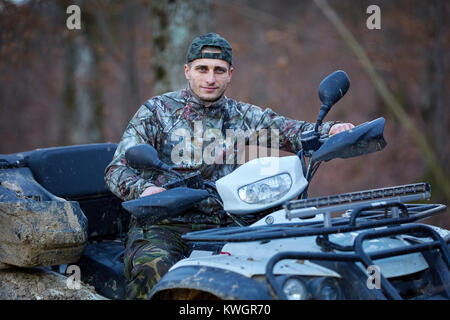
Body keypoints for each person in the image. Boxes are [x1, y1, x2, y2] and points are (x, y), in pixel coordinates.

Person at [104, 32, 354, 299]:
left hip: (229, 221)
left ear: (230, 74)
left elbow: (291, 131)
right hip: (166, 224)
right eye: (202, 69)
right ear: (188, 71)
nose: (210, 79)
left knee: (283, 266)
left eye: (219, 70)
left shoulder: (242, 116)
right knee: (153, 271)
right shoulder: (157, 111)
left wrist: (330, 130)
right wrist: (144, 190)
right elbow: (116, 170)